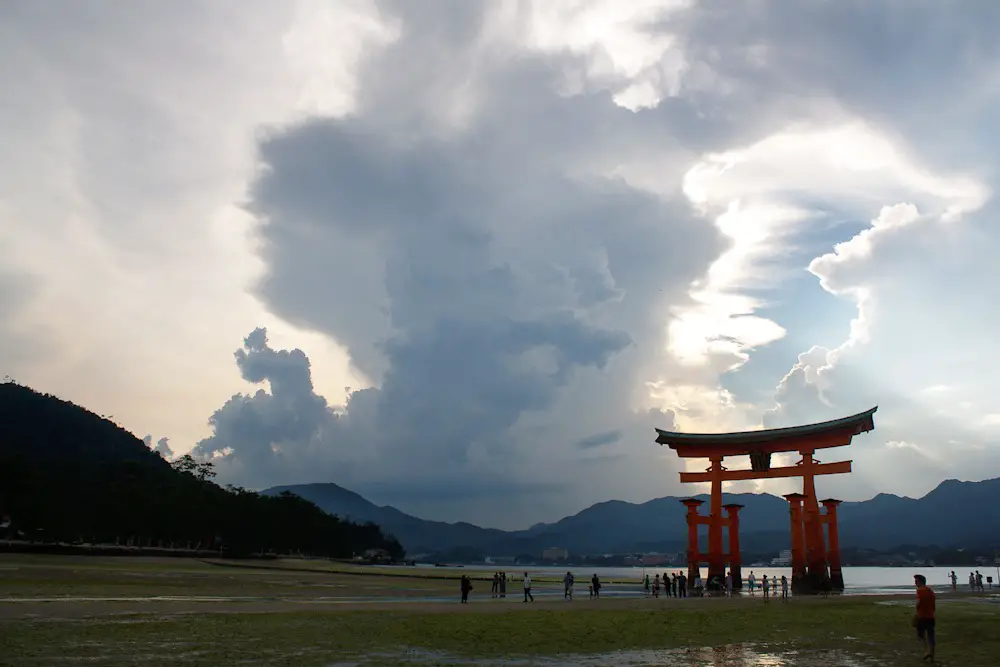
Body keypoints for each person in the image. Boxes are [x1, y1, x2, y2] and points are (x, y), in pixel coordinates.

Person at [913, 574, 935, 662]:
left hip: (922, 616)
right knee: (931, 636)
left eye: (916, 581)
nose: (915, 583)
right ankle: (932, 655)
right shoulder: (930, 591)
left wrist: (916, 613)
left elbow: (918, 603)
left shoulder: (919, 591)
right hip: (931, 616)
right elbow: (933, 604)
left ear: (920, 582)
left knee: (921, 635)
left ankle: (927, 651)